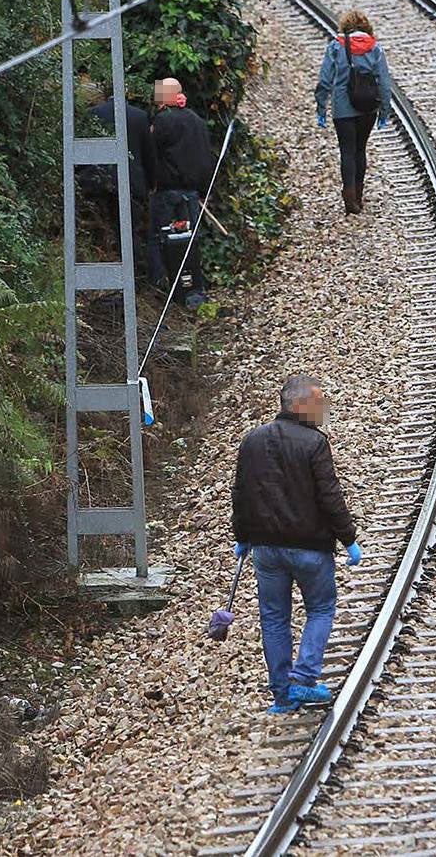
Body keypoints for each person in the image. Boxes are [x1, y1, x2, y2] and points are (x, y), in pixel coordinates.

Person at [231, 375, 363, 715]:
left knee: (273, 619)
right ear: (299, 404)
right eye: (318, 403)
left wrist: (242, 537)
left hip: (266, 550)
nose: (322, 410)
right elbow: (329, 496)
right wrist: (348, 540)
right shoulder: (314, 443)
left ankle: (283, 695)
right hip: (310, 549)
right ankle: (303, 677)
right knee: (320, 609)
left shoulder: (252, 441)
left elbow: (241, 495)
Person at [314, 10, 392, 215]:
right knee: (360, 149)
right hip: (368, 108)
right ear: (366, 28)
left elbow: (324, 80)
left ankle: (349, 197)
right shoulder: (375, 48)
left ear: (345, 27)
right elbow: (384, 83)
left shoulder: (336, 47)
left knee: (347, 151)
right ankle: (359, 194)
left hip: (343, 108)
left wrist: (321, 106)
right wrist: (384, 111)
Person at [148, 77, 215, 309]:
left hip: (167, 192)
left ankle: (161, 287)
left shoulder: (162, 122)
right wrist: (203, 190)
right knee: (191, 241)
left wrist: (150, 184)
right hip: (191, 193)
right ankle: (193, 287)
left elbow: (151, 155)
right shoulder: (197, 121)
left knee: (159, 239)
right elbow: (206, 157)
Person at [80, 81, 154, 277]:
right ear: (127, 93)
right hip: (131, 181)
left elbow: (86, 151)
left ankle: (98, 271)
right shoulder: (139, 116)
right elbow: (148, 154)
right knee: (129, 232)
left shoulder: (94, 114)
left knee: (100, 230)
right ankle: (135, 276)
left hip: (98, 182)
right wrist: (151, 182)